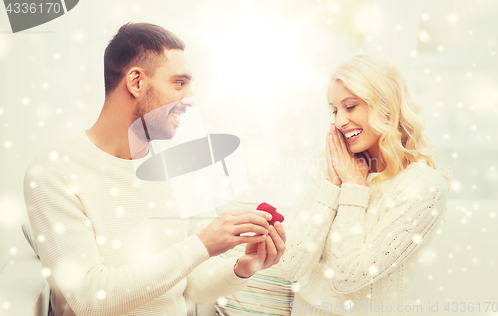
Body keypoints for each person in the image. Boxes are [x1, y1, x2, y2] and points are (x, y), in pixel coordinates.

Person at [24, 22, 286, 316]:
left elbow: (195, 285)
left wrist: (243, 268)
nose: (190, 100)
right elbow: (90, 298)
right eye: (179, 83)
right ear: (136, 82)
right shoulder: (54, 172)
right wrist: (202, 243)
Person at [279, 54, 450, 316]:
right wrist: (333, 187)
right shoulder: (326, 160)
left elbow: (346, 277)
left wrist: (354, 187)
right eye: (334, 110)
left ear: (386, 106)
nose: (339, 121)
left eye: (350, 107)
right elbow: (290, 266)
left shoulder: (423, 187)